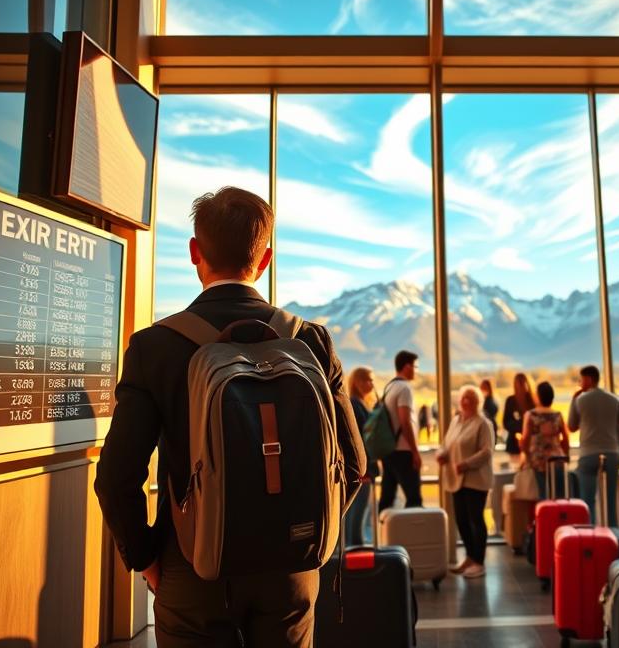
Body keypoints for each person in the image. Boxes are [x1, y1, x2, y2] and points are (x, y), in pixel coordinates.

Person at [94, 187, 365, 648]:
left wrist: (147, 559)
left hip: (193, 566)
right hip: (291, 570)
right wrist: (307, 532)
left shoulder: (155, 347)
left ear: (195, 252)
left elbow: (117, 478)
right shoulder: (311, 342)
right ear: (266, 260)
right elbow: (354, 465)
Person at [437, 385, 495, 579]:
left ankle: (479, 562)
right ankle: (470, 557)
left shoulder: (483, 423)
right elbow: (447, 445)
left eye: (471, 398)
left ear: (478, 401)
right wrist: (442, 455)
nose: (466, 401)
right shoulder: (456, 421)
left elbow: (487, 452)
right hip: (457, 480)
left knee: (476, 520)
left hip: (475, 480)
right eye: (464, 398)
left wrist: (466, 464)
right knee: (462, 519)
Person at [568, 365, 619, 524]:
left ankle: (591, 535)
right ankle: (613, 534)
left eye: (581, 379)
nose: (579, 383)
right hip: (611, 453)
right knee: (611, 500)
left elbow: (571, 427)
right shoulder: (614, 399)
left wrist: (574, 398)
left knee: (587, 500)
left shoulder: (580, 400)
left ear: (589, 379)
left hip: (588, 454)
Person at [378, 350, 423, 512]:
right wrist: (415, 451)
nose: (416, 370)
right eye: (415, 366)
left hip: (389, 450)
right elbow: (405, 421)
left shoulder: (390, 387)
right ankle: (415, 536)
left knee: (387, 498)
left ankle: (385, 535)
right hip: (403, 451)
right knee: (414, 499)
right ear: (407, 366)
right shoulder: (404, 388)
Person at [345, 366, 377, 546]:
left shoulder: (357, 403)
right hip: (362, 469)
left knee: (355, 512)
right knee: (358, 511)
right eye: (367, 380)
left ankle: (353, 546)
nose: (371, 384)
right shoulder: (356, 405)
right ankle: (355, 548)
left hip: (361, 468)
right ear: (357, 383)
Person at [520, 381, 569, 499]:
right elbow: (566, 438)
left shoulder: (531, 415)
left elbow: (525, 439)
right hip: (557, 458)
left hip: (538, 459)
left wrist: (526, 456)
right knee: (559, 495)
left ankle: (545, 516)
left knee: (543, 494)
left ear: (538, 396)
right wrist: (564, 454)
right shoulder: (558, 415)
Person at [503, 373, 536, 460]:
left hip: (532, 445)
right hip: (515, 445)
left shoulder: (533, 401)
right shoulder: (510, 401)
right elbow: (506, 423)